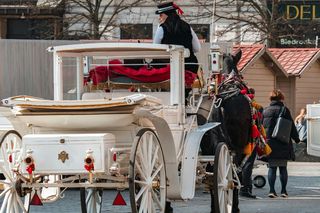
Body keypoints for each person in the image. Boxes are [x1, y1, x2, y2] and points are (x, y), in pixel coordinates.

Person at [262, 89, 300, 198]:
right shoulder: (284, 110)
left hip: (270, 143)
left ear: (271, 99)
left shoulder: (266, 111)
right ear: (281, 98)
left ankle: (271, 191)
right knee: (283, 168)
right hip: (283, 142)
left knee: (272, 168)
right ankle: (283, 191)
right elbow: (291, 126)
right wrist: (296, 138)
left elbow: (261, 127)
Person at [153, 1, 201, 74]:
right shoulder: (188, 27)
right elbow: (197, 48)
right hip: (189, 67)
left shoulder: (162, 28)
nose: (160, 17)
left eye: (161, 15)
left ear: (166, 15)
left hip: (167, 68)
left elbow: (155, 49)